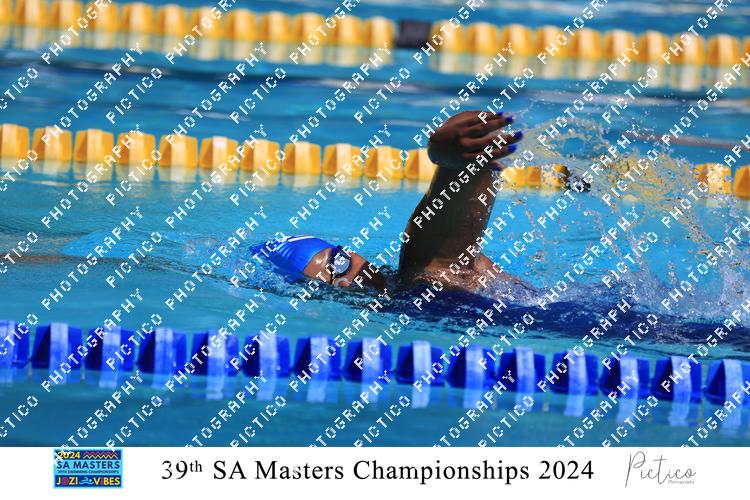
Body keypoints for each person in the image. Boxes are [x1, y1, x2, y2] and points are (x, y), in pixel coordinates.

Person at [253, 110, 527, 296]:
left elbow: (436, 241)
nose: (346, 281)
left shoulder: (420, 276)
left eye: (340, 262)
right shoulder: (411, 299)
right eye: (328, 286)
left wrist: (452, 163)